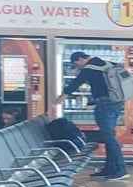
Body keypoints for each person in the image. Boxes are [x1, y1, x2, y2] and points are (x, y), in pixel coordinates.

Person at [52, 51, 128, 180]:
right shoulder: (108, 64)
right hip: (116, 103)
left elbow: (73, 86)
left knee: (108, 136)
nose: (78, 68)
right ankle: (110, 168)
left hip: (105, 105)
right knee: (108, 135)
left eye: (77, 65)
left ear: (81, 59)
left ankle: (121, 169)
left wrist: (55, 104)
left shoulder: (90, 68)